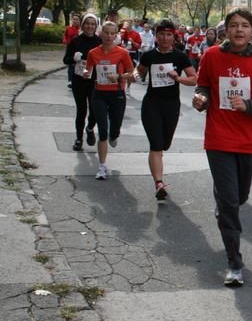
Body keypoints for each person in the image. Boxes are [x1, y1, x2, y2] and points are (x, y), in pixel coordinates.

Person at [192, 8, 252, 286]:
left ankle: (224, 199)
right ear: (225, 30)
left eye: (244, 26)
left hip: (247, 143)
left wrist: (249, 106)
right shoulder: (212, 56)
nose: (239, 30)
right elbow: (202, 86)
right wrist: (200, 99)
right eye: (233, 25)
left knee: (239, 197)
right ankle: (234, 261)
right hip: (218, 140)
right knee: (230, 203)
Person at [136, 19, 197, 202]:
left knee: (165, 144)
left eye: (168, 34)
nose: (164, 38)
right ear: (156, 36)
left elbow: (194, 79)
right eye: (161, 34)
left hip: (171, 105)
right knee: (156, 145)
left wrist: (178, 79)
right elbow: (138, 72)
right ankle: (159, 183)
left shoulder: (179, 57)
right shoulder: (148, 56)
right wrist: (130, 75)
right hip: (151, 104)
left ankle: (159, 172)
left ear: (173, 36)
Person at [85, 21, 135, 180]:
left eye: (112, 33)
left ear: (116, 36)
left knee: (114, 130)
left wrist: (119, 76)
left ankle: (115, 135)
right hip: (99, 93)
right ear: (101, 34)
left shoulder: (122, 53)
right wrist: (86, 72)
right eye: (106, 32)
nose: (109, 36)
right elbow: (89, 68)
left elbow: (131, 73)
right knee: (103, 130)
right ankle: (102, 166)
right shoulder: (93, 52)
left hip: (117, 94)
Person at [62, 13, 101, 151]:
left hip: (95, 80)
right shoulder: (75, 41)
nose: (89, 26)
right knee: (81, 110)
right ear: (82, 25)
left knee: (95, 109)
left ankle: (90, 128)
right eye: (87, 23)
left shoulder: (99, 42)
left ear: (96, 26)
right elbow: (65, 60)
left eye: (92, 24)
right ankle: (79, 139)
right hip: (79, 80)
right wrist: (74, 58)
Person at [62, 12, 81, 89]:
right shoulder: (68, 29)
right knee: (70, 66)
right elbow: (65, 37)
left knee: (77, 65)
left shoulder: (81, 30)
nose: (75, 21)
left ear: (80, 21)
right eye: (74, 19)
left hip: (78, 50)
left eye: (77, 19)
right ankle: (70, 81)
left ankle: (77, 80)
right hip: (70, 49)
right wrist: (65, 41)